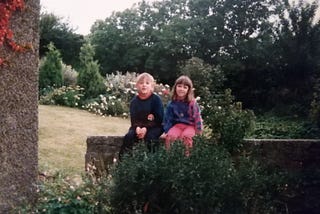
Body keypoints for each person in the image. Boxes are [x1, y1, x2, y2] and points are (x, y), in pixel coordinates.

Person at [119, 72, 164, 160]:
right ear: (137, 86)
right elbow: (134, 120)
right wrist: (137, 128)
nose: (144, 85)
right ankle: (124, 162)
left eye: (147, 83)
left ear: (152, 86)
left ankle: (153, 161)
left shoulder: (156, 100)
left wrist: (146, 128)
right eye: (141, 83)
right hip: (137, 127)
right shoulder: (134, 102)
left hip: (155, 126)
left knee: (150, 138)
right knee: (129, 137)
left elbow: (159, 119)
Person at [160, 75, 203, 155]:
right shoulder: (172, 103)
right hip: (177, 125)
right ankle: (170, 156)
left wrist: (199, 130)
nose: (181, 89)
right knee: (170, 136)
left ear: (188, 90)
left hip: (190, 126)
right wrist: (166, 130)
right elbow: (168, 118)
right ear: (175, 87)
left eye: (185, 87)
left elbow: (197, 117)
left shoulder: (192, 103)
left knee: (186, 136)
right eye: (179, 86)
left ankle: (186, 157)